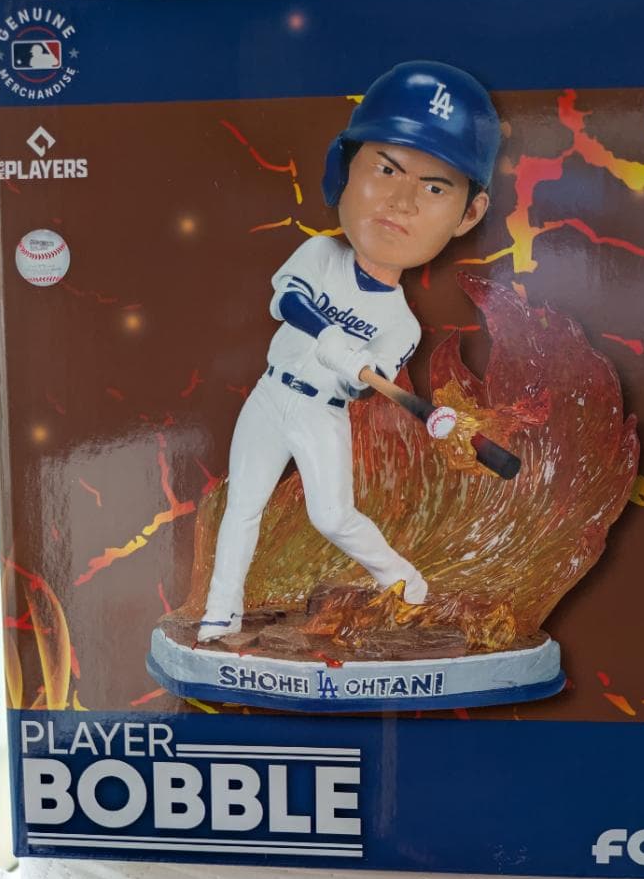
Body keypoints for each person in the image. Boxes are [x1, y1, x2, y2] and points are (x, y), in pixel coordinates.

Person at [198, 60, 501, 642]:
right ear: (346, 169)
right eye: (387, 169)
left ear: (469, 213)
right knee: (244, 506)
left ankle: (405, 581)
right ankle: (220, 615)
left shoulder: (402, 325)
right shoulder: (320, 254)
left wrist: (350, 363)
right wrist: (330, 336)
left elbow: (364, 385)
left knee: (332, 515)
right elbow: (288, 301)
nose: (402, 202)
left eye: (434, 186)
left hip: (320, 412)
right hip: (269, 396)